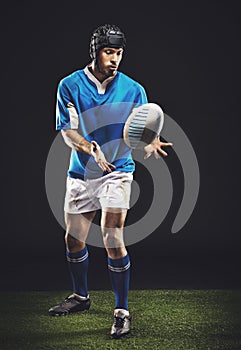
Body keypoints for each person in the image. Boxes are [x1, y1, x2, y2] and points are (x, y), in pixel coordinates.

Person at [49, 23, 172, 339]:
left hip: (118, 172)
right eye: (108, 51)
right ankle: (80, 297)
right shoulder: (70, 85)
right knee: (73, 240)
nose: (114, 58)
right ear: (95, 51)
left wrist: (150, 141)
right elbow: (68, 131)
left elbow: (143, 126)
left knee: (112, 239)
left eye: (118, 52)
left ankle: (121, 311)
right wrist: (90, 148)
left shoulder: (133, 89)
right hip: (81, 174)